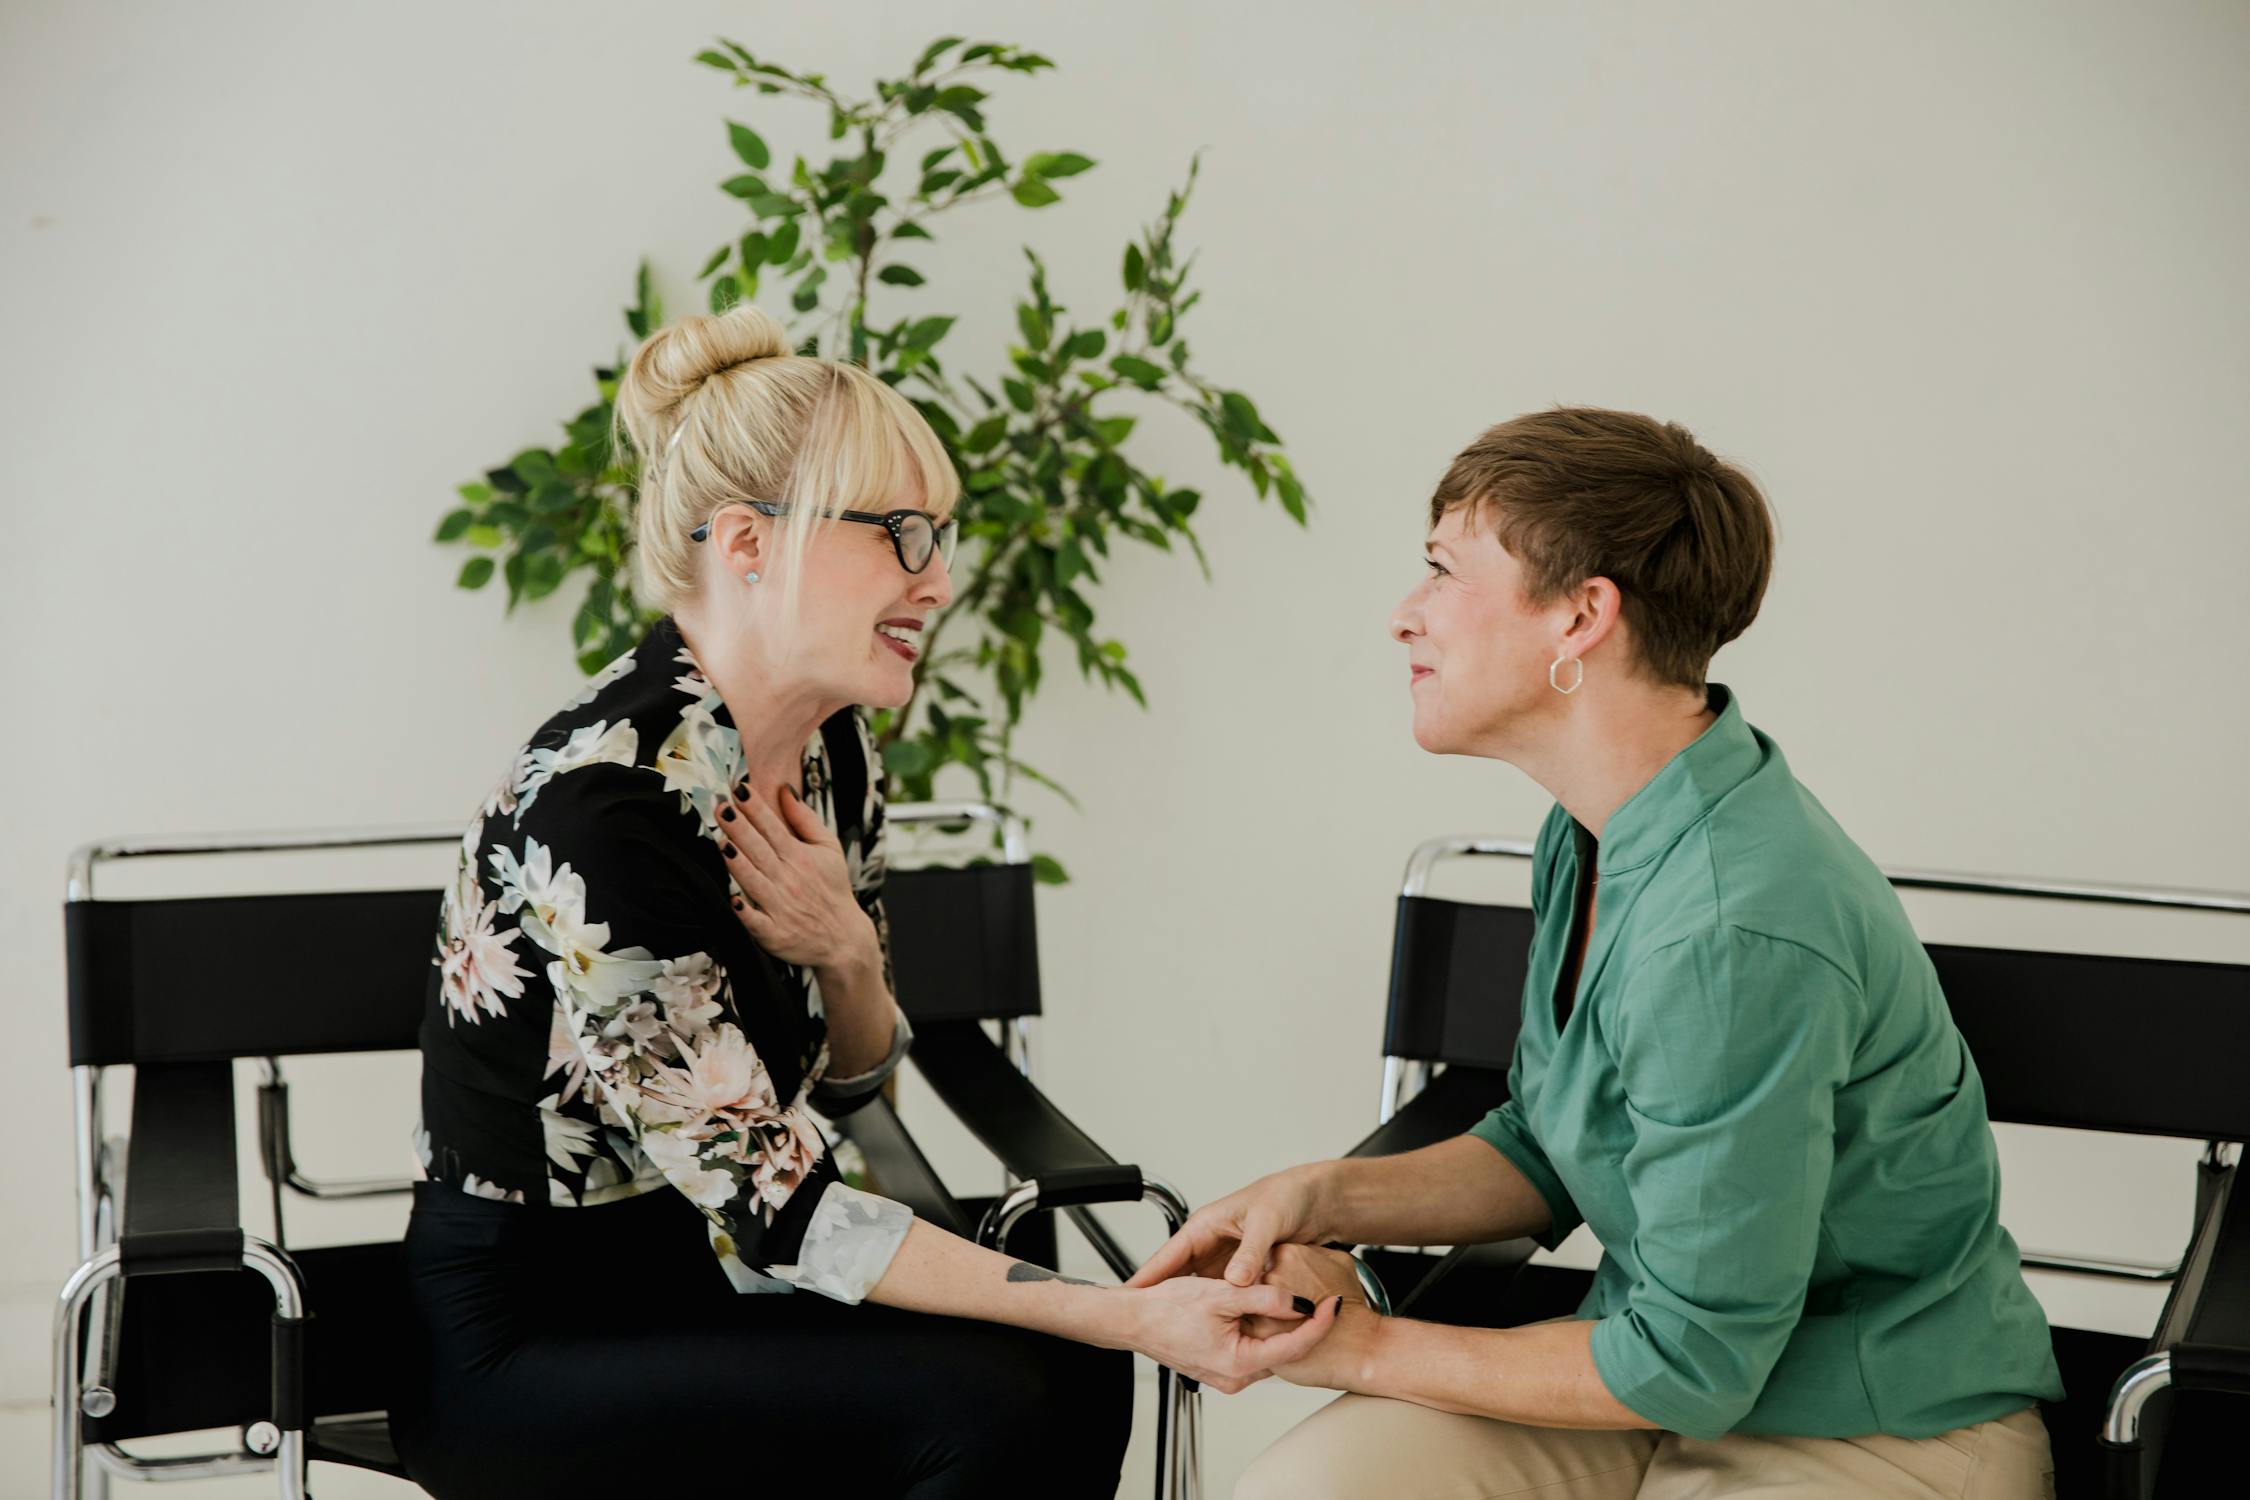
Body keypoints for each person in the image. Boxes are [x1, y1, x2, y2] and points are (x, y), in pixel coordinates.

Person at [390, 304, 1339, 1500]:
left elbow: (853, 1085)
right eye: (900, 533)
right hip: (528, 1335)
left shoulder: (830, 744)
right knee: (1001, 1397)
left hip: (706, 1277)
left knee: (1073, 1369)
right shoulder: (605, 811)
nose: (940, 580)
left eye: (939, 534)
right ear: (745, 542)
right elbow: (780, 1206)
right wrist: (1125, 1312)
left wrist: (845, 956)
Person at [1130, 408, 2063, 1499]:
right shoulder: (1600, 829)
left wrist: (1359, 1346)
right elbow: (1551, 1146)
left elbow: (1692, 1360)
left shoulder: (1732, 925)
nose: (1404, 616)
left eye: (1442, 571)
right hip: (1636, 1381)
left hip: (1864, 1427)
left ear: (1581, 617)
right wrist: (1319, 1196)